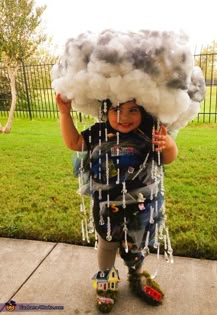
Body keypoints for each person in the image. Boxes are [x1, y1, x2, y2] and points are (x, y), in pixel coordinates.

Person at [56, 93, 178, 312]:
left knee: (137, 246)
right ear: (105, 110)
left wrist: (168, 144)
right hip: (106, 207)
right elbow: (74, 143)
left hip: (141, 208)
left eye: (133, 110)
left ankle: (136, 276)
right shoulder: (98, 132)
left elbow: (167, 158)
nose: (124, 117)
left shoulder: (149, 133)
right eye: (116, 110)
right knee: (107, 242)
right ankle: (106, 279)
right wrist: (65, 113)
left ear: (144, 111)